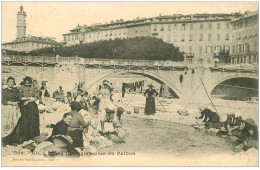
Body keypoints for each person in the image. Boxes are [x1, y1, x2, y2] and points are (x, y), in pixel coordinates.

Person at [19, 76, 40, 142]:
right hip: (24, 105)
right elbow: (20, 97)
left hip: (32, 105)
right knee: (25, 121)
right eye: (26, 83)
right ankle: (25, 136)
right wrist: (29, 98)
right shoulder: (21, 87)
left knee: (33, 120)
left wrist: (28, 101)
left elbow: (36, 97)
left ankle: (33, 136)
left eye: (29, 83)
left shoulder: (33, 88)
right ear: (24, 82)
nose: (27, 84)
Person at [2, 77, 21, 145]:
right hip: (6, 108)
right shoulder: (3, 91)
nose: (11, 83)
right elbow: (2, 100)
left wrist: (16, 103)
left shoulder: (16, 91)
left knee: (14, 123)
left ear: (14, 83)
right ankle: (4, 140)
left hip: (14, 108)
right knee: (6, 124)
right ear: (7, 83)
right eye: (9, 82)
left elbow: (19, 99)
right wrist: (11, 103)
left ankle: (12, 140)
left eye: (12, 82)